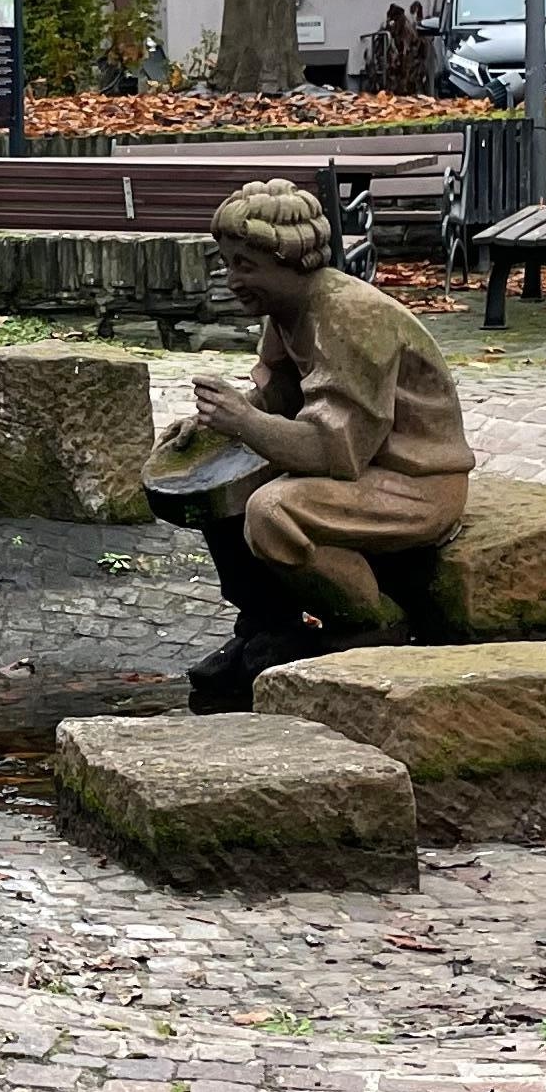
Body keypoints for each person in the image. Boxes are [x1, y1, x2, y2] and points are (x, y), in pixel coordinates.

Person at [177, 178, 476, 708]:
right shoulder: (286, 312)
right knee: (215, 482)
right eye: (227, 263)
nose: (231, 279)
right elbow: (277, 399)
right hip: (362, 470)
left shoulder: (351, 318)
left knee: (272, 512)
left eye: (244, 265)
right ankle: (266, 625)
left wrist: (243, 421)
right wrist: (210, 428)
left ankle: (370, 624)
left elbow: (335, 452)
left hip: (414, 484)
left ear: (288, 262)